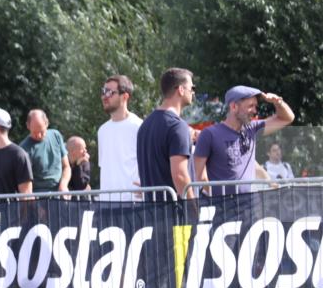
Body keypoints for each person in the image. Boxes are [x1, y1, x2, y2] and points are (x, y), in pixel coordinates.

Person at [193, 86, 294, 195]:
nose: (255, 111)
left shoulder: (252, 128)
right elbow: (199, 176)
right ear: (234, 106)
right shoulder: (209, 134)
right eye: (251, 106)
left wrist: (277, 102)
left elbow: (287, 118)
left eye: (255, 106)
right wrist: (219, 199)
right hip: (222, 208)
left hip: (249, 206)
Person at [136, 68, 197, 200]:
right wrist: (193, 207)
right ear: (181, 90)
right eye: (191, 88)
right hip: (174, 214)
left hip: (151, 212)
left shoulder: (145, 125)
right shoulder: (177, 126)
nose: (193, 92)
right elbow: (180, 175)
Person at [97, 75, 143, 201]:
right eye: (103, 92)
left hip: (133, 204)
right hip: (106, 203)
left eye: (110, 92)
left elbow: (150, 163)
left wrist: (149, 184)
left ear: (125, 96)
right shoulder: (102, 130)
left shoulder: (139, 126)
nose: (104, 96)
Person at [19, 110, 70, 193]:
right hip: (38, 196)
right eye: (35, 132)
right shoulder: (23, 149)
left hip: (60, 193)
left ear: (47, 123)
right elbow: (25, 182)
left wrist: (63, 185)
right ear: (28, 126)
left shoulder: (56, 135)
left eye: (42, 131)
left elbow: (66, 166)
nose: (39, 135)